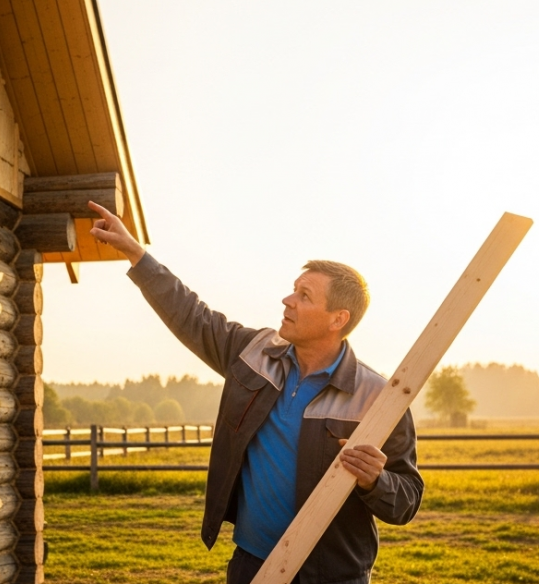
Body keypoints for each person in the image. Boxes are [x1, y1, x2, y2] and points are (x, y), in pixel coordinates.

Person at [87, 201, 423, 584]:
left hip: (331, 576)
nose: (288, 300)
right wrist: (136, 254)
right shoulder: (254, 352)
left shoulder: (377, 397)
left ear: (338, 319)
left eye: (305, 296)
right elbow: (192, 315)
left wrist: (374, 481)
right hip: (251, 565)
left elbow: (407, 498)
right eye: (293, 290)